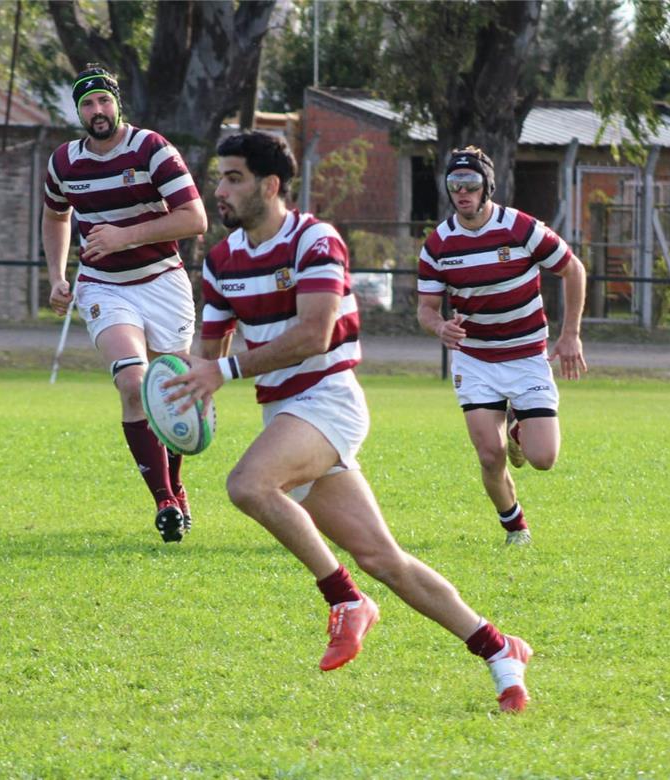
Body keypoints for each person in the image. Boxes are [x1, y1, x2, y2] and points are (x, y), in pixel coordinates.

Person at [166, 132, 534, 712]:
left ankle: (344, 600)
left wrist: (226, 370)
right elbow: (206, 356)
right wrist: (188, 399)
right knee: (385, 559)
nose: (220, 190)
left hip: (328, 398)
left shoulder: (315, 240)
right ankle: (498, 648)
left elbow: (314, 333)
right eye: (220, 177)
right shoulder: (220, 261)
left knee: (248, 485)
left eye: (233, 177)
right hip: (283, 415)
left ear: (269, 185)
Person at [41, 65, 208, 543]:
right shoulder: (64, 163)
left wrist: (123, 236)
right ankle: (164, 501)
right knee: (134, 383)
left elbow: (194, 218)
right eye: (87, 104)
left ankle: (177, 486)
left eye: (104, 102)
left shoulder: (152, 149)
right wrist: (56, 276)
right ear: (78, 111)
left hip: (163, 282)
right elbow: (56, 216)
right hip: (103, 286)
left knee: (170, 390)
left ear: (118, 103)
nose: (97, 111)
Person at [415, 146, 587, 546]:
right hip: (474, 359)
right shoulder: (438, 244)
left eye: (471, 184)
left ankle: (518, 431)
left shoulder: (521, 228)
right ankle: (516, 528)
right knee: (489, 455)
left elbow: (573, 268)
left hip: (527, 355)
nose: (463, 192)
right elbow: (425, 308)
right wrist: (439, 327)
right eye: (455, 184)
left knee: (543, 459)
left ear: (487, 187)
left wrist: (571, 333)